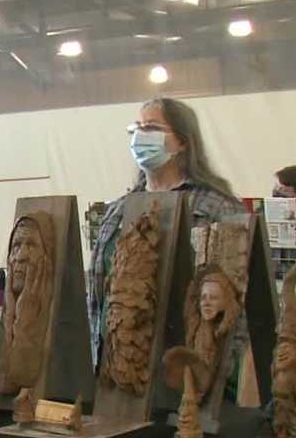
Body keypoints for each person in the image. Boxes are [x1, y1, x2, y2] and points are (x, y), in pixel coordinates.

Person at [88, 97, 244, 373]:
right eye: (136, 128)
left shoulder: (217, 208)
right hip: (121, 360)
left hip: (185, 363)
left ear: (182, 141)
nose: (139, 136)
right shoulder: (118, 211)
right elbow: (98, 292)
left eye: (151, 128)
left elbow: (235, 292)